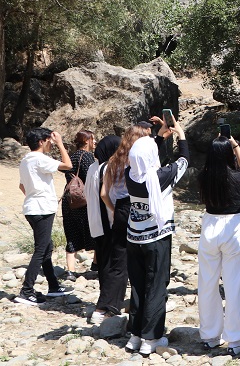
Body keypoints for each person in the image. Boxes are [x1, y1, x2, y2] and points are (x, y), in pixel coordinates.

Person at [125, 117, 189, 357]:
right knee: (157, 286)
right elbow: (184, 160)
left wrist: (159, 137)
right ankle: (150, 338)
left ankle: (135, 334)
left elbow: (143, 155)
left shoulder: (129, 174)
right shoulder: (161, 177)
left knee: (139, 286)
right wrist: (180, 134)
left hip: (134, 237)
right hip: (157, 238)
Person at [197, 135, 240, 356]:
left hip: (210, 226)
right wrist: (236, 145)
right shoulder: (237, 177)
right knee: (234, 284)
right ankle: (235, 339)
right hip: (234, 227)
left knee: (207, 283)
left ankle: (210, 335)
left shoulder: (203, 177)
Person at [16, 128, 75, 305]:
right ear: (41, 142)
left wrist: (36, 194)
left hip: (32, 207)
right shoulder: (40, 159)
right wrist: (60, 143)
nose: (50, 143)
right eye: (49, 140)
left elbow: (21, 186)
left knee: (46, 246)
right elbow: (68, 165)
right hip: (42, 209)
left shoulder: (25, 160)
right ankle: (26, 290)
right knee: (41, 249)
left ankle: (53, 286)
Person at [100, 124, 150, 330]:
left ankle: (107, 305)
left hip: (121, 208)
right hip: (138, 206)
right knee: (142, 257)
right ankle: (141, 304)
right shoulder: (137, 159)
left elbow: (104, 193)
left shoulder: (113, 161)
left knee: (118, 259)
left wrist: (115, 209)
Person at [84, 134, 121, 324]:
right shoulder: (108, 168)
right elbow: (108, 195)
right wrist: (116, 212)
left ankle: (107, 302)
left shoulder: (92, 167)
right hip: (108, 222)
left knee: (104, 267)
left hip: (95, 223)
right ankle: (104, 306)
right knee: (114, 266)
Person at [63, 130, 97, 280]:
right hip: (84, 200)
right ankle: (96, 265)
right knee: (95, 232)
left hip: (70, 200)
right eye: (93, 140)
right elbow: (92, 177)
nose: (95, 142)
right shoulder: (88, 156)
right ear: (87, 140)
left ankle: (70, 270)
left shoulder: (70, 157)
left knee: (71, 234)